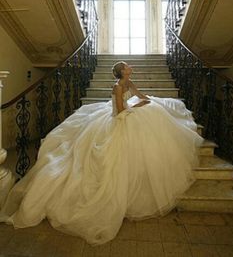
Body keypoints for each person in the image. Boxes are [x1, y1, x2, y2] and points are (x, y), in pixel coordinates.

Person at [0, 61, 203, 245]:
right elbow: (121, 111)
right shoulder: (117, 86)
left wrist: (144, 102)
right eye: (126, 66)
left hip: (129, 112)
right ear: (121, 72)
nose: (130, 67)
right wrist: (139, 105)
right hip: (118, 119)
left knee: (156, 111)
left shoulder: (129, 83)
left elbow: (141, 97)